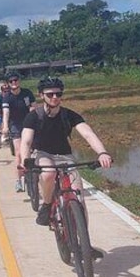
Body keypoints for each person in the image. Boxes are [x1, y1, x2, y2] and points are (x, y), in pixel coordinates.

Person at [19, 76, 113, 257]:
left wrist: (102, 152)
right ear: (41, 95)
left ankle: (85, 244)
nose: (55, 97)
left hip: (64, 155)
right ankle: (46, 206)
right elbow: (26, 141)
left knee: (79, 198)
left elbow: (88, 134)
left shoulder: (69, 115)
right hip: (42, 154)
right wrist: (26, 160)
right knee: (48, 174)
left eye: (58, 94)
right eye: (50, 94)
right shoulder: (34, 116)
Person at [0, 72, 35, 192]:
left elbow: (33, 107)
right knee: (19, 152)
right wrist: (5, 126)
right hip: (15, 125)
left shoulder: (27, 93)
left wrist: (34, 117)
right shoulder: (7, 97)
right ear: (8, 84)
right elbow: (6, 113)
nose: (14, 82)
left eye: (15, 80)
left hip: (29, 123)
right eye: (11, 81)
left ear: (19, 81)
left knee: (35, 149)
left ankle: (36, 172)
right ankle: (19, 180)